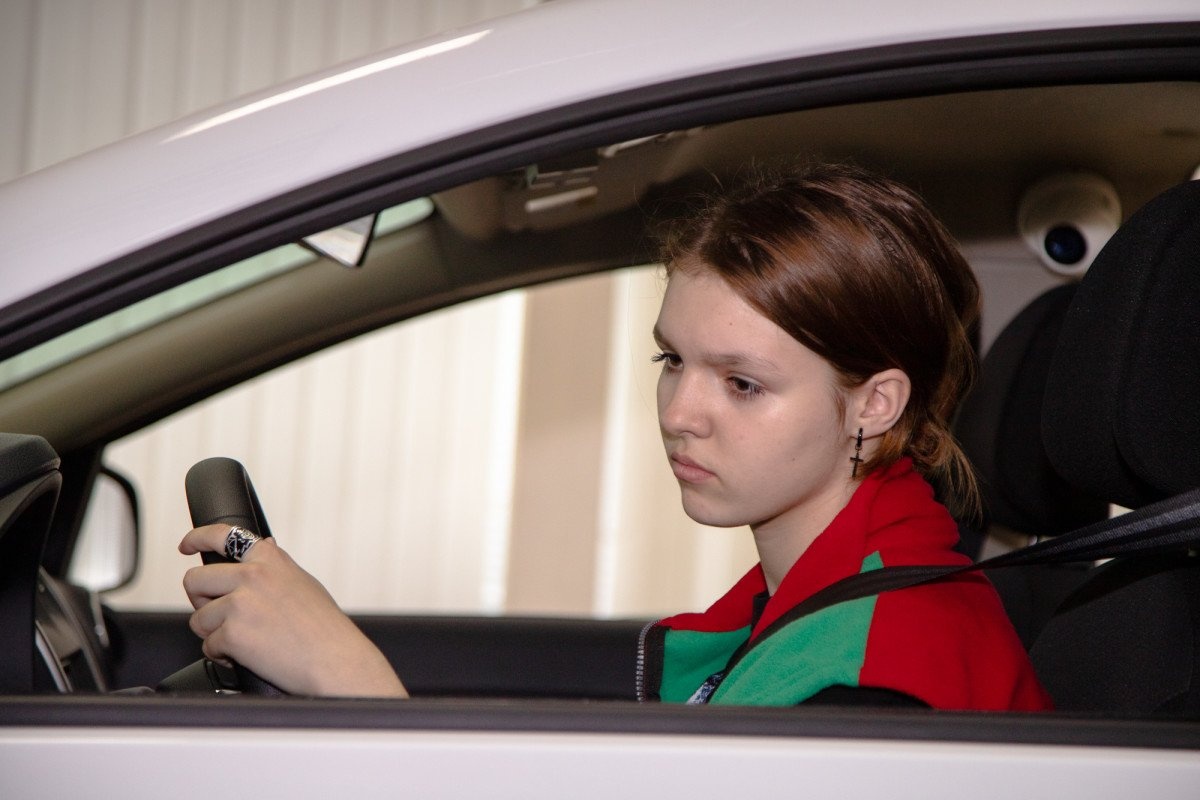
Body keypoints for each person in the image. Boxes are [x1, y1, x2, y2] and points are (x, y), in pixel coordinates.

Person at [179, 163, 1051, 709]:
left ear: (874, 404)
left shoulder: (879, 674)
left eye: (742, 383)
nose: (679, 412)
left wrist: (352, 681)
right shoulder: (817, 602)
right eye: (673, 360)